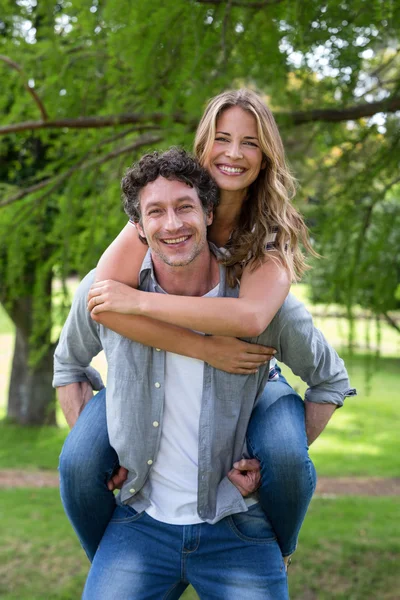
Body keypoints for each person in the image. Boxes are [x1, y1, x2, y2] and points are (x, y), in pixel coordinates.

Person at [56, 89, 352, 566]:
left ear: (266, 157)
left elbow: (252, 320)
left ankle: (279, 547)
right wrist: (204, 349)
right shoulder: (169, 203)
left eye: (250, 142)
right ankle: (113, 554)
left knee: (286, 455)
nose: (234, 153)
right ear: (203, 144)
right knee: (78, 461)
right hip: (186, 360)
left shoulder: (270, 233)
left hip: (252, 376)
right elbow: (103, 305)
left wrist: (142, 306)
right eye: (222, 137)